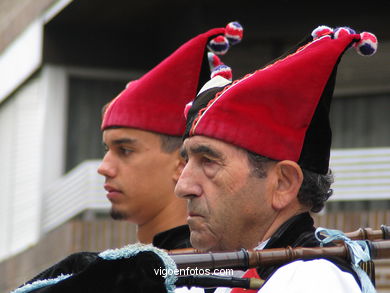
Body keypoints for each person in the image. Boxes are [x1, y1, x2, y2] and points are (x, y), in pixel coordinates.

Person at [12, 22, 243, 293]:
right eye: (106, 150)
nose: (105, 168)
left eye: (125, 150)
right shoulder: (111, 273)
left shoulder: (215, 280)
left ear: (182, 164)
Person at [175, 25, 378, 293]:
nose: (182, 187)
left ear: (283, 184)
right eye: (187, 160)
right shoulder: (226, 272)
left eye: (208, 161)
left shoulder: (313, 280)